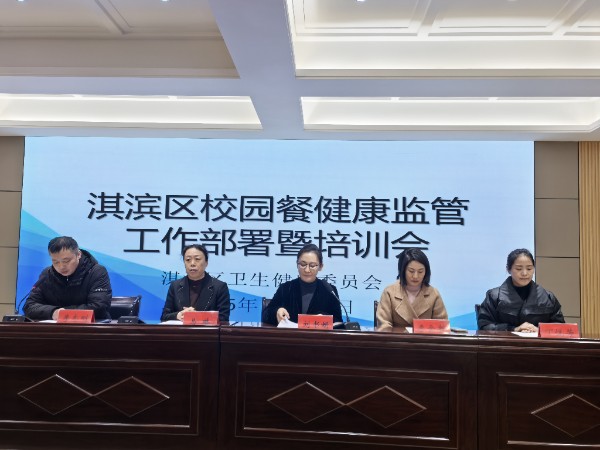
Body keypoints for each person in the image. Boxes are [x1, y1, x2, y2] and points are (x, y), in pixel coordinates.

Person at [23, 236, 112, 321]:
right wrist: (53, 312)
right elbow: (29, 306)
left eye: (66, 261)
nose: (61, 267)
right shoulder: (47, 274)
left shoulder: (96, 272)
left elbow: (99, 307)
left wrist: (62, 313)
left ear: (78, 254)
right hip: (55, 329)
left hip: (91, 328)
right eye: (56, 262)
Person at [478, 248, 564, 332]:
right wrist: (513, 329)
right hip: (506, 342)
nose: (524, 273)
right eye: (518, 269)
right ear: (508, 269)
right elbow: (484, 326)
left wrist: (539, 330)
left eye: (529, 268)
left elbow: (560, 327)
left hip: (538, 341)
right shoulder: (494, 296)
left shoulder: (548, 297)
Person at [262, 244, 342, 325]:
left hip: (318, 333)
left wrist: (324, 319)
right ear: (297, 264)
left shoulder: (329, 290)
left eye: (312, 265)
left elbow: (338, 321)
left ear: (320, 267)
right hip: (291, 333)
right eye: (303, 264)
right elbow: (265, 314)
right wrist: (277, 312)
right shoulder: (286, 288)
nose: (307, 270)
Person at [376, 248, 447, 329]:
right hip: (396, 337)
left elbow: (442, 327)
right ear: (403, 270)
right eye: (411, 271)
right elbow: (384, 326)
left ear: (426, 272)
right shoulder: (389, 292)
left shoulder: (434, 294)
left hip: (425, 337)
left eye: (420, 271)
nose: (415, 276)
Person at [161, 244, 230, 322]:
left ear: (206, 263)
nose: (192, 263)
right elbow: (164, 317)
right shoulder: (175, 286)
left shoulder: (219, 287)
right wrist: (178, 315)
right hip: (181, 330)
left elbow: (223, 319)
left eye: (197, 259)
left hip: (207, 330)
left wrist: (196, 316)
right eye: (188, 260)